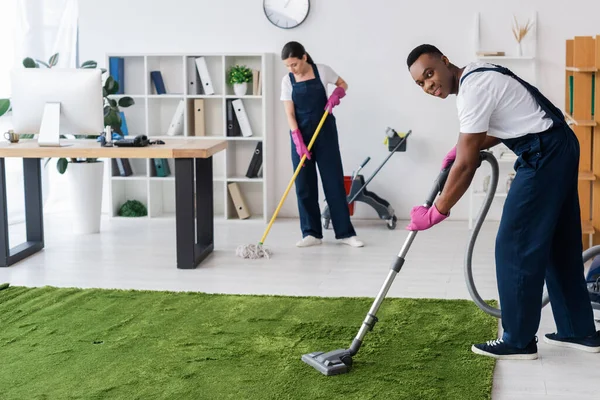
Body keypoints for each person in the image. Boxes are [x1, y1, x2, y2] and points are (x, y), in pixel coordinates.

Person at [405, 44, 600, 360]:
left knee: (514, 244)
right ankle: (578, 330)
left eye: (429, 74)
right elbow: (511, 119)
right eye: (420, 83)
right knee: (557, 244)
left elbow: (467, 165)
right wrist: (464, 147)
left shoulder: (472, 90)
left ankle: (519, 340)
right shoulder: (479, 72)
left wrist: (436, 211)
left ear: (444, 60)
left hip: (543, 154)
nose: (428, 84)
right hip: (559, 144)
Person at [280, 41, 363, 248]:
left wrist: (336, 95)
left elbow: (343, 84)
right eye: (288, 66)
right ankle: (311, 233)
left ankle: (345, 233)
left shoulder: (323, 71)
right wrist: (298, 139)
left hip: (325, 132)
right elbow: (289, 113)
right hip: (301, 135)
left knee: (333, 182)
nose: (292, 69)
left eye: (294, 64)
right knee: (304, 185)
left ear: (304, 57)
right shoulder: (287, 81)